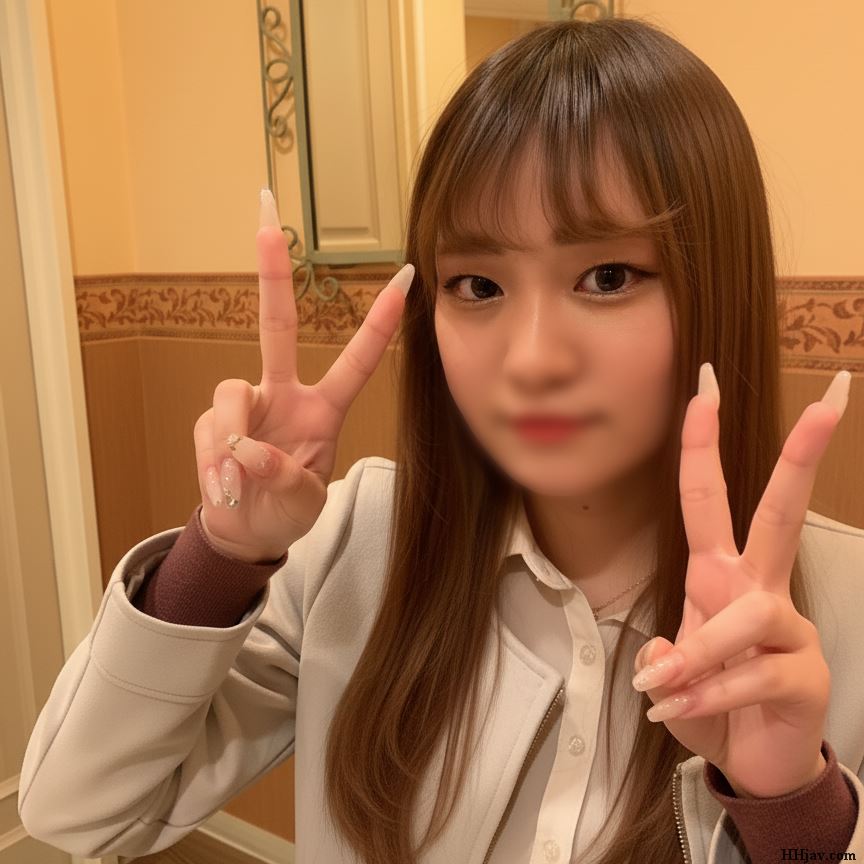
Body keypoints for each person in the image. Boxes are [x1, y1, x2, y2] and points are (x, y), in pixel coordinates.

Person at [17, 16, 864, 864]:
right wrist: (222, 555)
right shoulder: (356, 546)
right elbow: (78, 811)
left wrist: (792, 810)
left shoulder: (841, 610)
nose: (532, 359)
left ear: (718, 285)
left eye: (607, 277)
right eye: (479, 285)